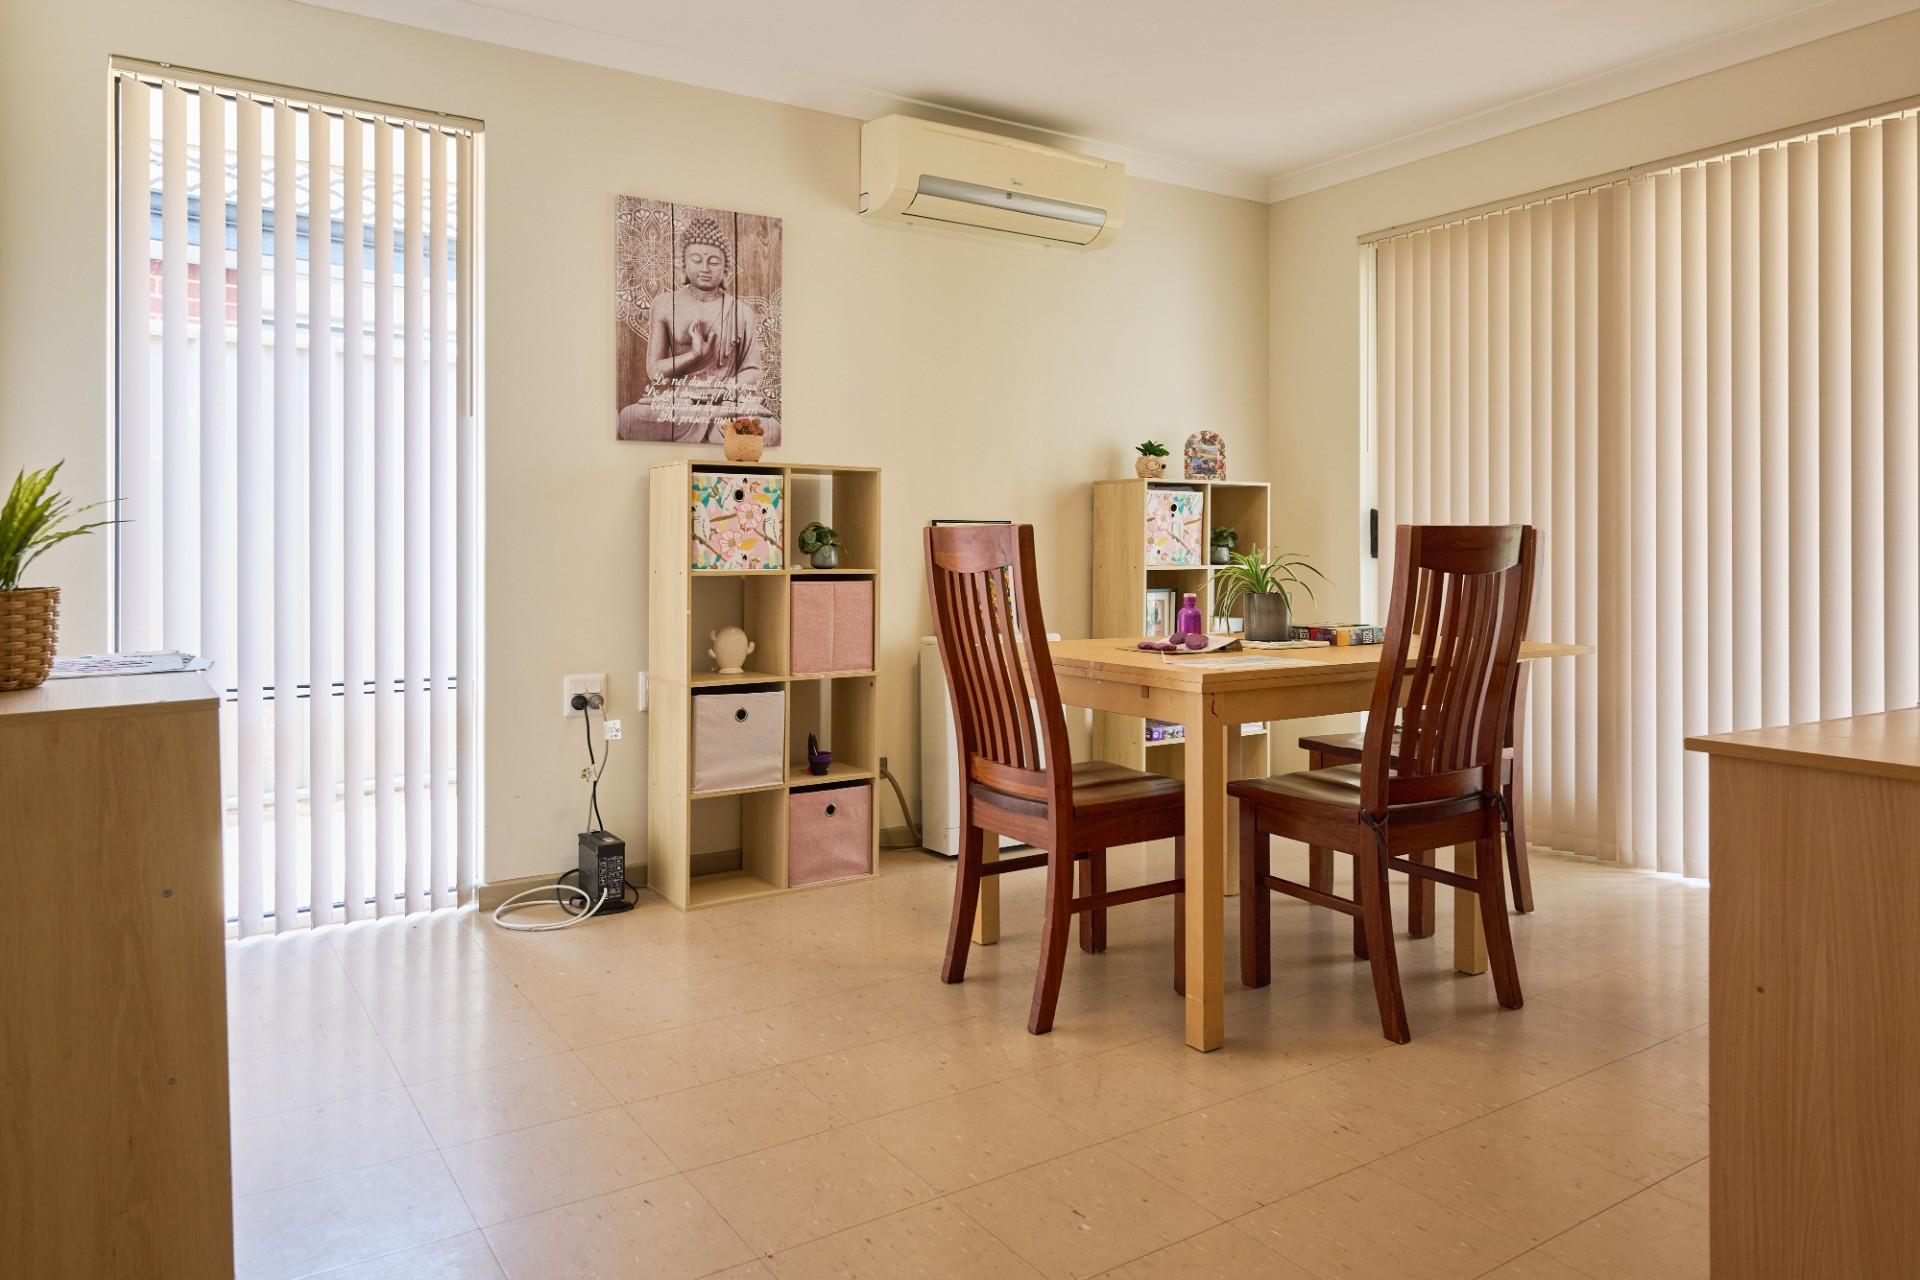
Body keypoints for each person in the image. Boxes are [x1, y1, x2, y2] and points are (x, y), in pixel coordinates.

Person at [617, 213, 781, 443]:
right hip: (682, 401)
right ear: (684, 266)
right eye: (696, 260)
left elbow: (752, 371)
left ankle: (716, 426)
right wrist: (694, 355)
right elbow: (655, 371)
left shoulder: (741, 311)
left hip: (725, 402)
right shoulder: (664, 305)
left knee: (771, 429)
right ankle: (715, 431)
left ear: (726, 270)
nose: (705, 268)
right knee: (629, 418)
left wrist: (724, 391)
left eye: (713, 262)